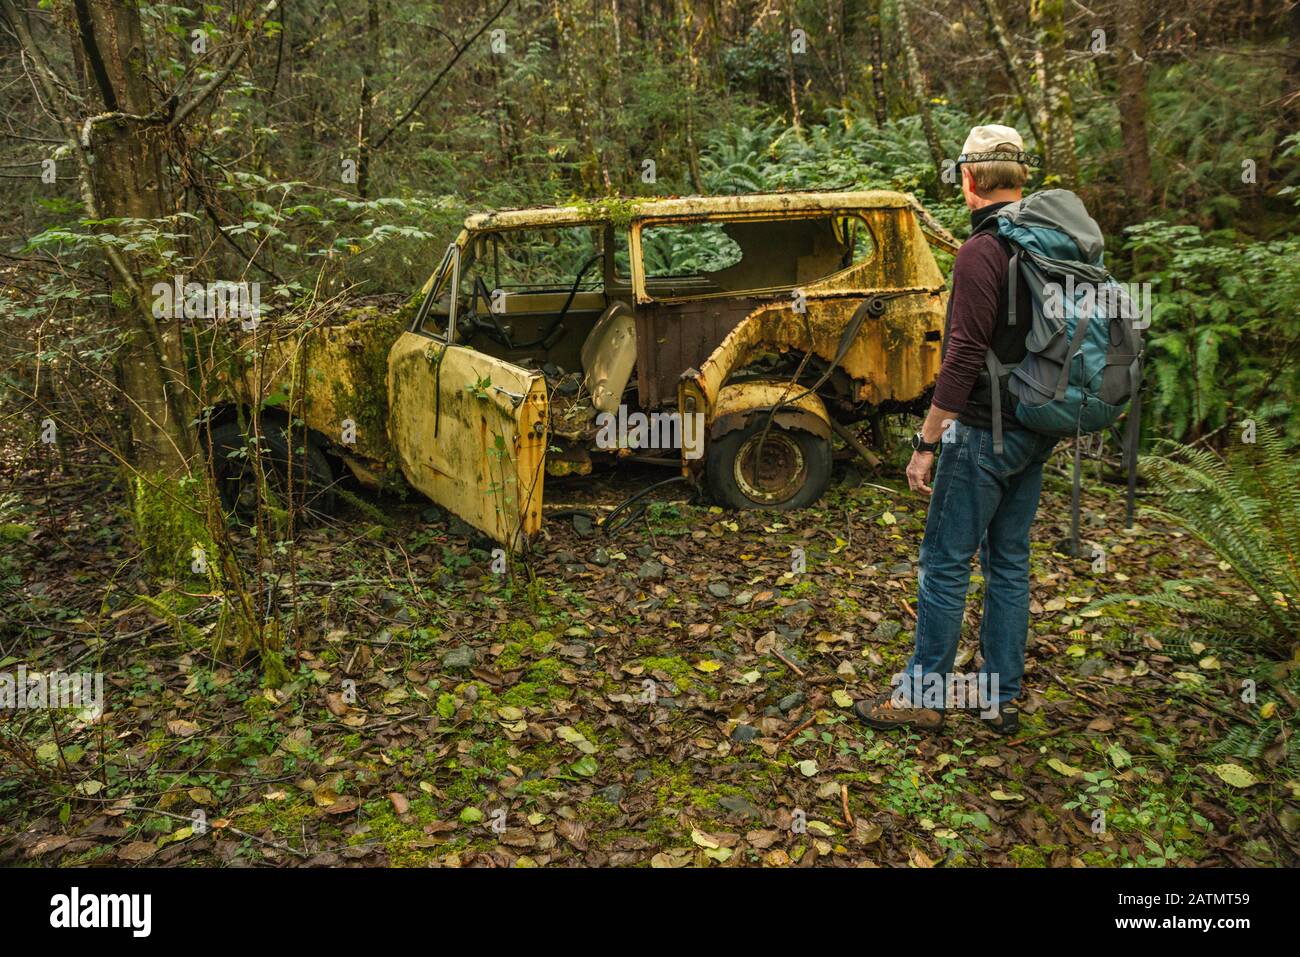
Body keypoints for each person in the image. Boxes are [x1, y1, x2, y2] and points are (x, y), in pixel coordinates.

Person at [855, 124, 1062, 736]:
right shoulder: (1050, 242)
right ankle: (999, 698)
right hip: (1034, 425)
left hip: (979, 432)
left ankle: (921, 696)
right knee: (1009, 563)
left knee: (945, 563)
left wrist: (925, 442)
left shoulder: (982, 251)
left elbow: (964, 355)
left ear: (968, 180)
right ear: (1020, 177)